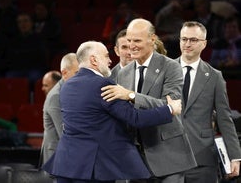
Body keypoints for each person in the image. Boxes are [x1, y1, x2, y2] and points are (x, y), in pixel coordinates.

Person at [42, 41, 183, 183]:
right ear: (94, 59)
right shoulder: (102, 84)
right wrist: (170, 109)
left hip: (66, 163)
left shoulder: (67, 86)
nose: (110, 60)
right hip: (93, 168)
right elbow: (134, 118)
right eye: (106, 56)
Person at [101, 18, 197, 183]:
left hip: (169, 156)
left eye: (137, 40)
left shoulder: (171, 67)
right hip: (136, 158)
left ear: (152, 39)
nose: (132, 45)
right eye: (129, 40)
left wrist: (131, 96)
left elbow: (171, 106)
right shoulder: (123, 74)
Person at [177, 21, 241, 183]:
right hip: (168, 159)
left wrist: (235, 156)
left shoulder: (214, 77)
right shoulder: (165, 72)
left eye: (193, 40)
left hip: (203, 160)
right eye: (184, 39)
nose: (187, 44)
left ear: (204, 44)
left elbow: (224, 118)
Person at [40, 53, 79, 165]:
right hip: (56, 156)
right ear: (65, 73)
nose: (81, 77)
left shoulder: (70, 91)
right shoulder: (56, 96)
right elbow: (64, 132)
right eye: (77, 73)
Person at [5, 12, 47, 88]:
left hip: (33, 69)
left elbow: (40, 58)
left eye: (25, 21)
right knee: (9, 77)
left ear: (31, 23)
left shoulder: (38, 39)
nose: (22, 24)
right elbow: (11, 58)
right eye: (20, 22)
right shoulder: (13, 40)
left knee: (34, 77)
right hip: (17, 70)